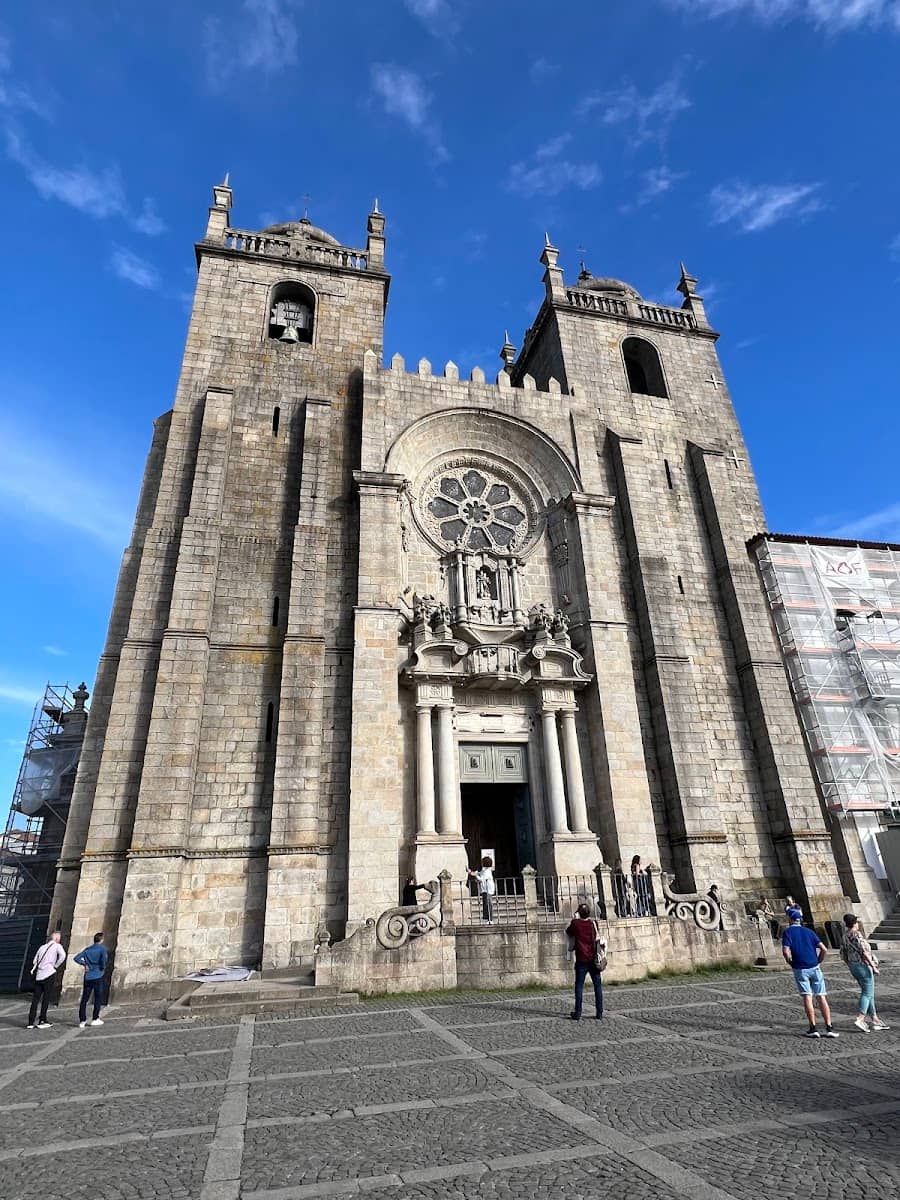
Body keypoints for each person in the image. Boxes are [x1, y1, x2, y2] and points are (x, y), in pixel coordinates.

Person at [781, 907, 838, 1039]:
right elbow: (824, 949)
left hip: (800, 968)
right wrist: (818, 961)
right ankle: (829, 1027)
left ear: (790, 919)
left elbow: (785, 951)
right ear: (800, 920)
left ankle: (813, 1028)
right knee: (821, 996)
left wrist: (790, 962)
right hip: (814, 967)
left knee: (807, 997)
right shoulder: (809, 931)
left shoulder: (788, 933)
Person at [840, 913, 888, 1033]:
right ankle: (860, 1018)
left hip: (853, 965)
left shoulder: (845, 936)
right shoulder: (857, 935)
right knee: (867, 993)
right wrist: (873, 966)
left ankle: (874, 1019)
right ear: (855, 923)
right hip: (863, 966)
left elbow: (842, 953)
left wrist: (849, 964)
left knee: (868, 992)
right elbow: (864, 953)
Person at [566, 903, 604, 1020]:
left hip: (581, 959)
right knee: (597, 986)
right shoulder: (593, 923)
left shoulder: (576, 924)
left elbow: (568, 931)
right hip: (593, 959)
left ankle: (578, 1012)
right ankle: (599, 1012)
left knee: (579, 986)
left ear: (579, 913)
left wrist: (575, 918)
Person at [26, 930, 66, 1030]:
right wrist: (55, 965)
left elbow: (35, 961)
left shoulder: (42, 947)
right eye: (59, 939)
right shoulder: (57, 946)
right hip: (49, 974)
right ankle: (42, 1019)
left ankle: (30, 1021)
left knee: (35, 999)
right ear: (56, 939)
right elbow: (63, 956)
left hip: (39, 975)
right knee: (46, 998)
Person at [74, 932, 108, 1028]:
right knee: (98, 997)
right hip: (98, 975)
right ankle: (95, 1018)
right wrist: (102, 967)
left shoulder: (88, 949)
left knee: (84, 999)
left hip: (88, 976)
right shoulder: (102, 949)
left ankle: (82, 1020)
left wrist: (84, 964)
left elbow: (76, 958)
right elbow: (103, 960)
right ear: (101, 940)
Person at [467, 857, 496, 923]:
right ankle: (487, 918)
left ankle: (490, 919)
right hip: (485, 889)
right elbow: (478, 873)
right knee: (486, 903)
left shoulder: (487, 871)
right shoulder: (484, 870)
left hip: (488, 889)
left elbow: (481, 879)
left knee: (488, 904)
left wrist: (476, 877)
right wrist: (470, 872)